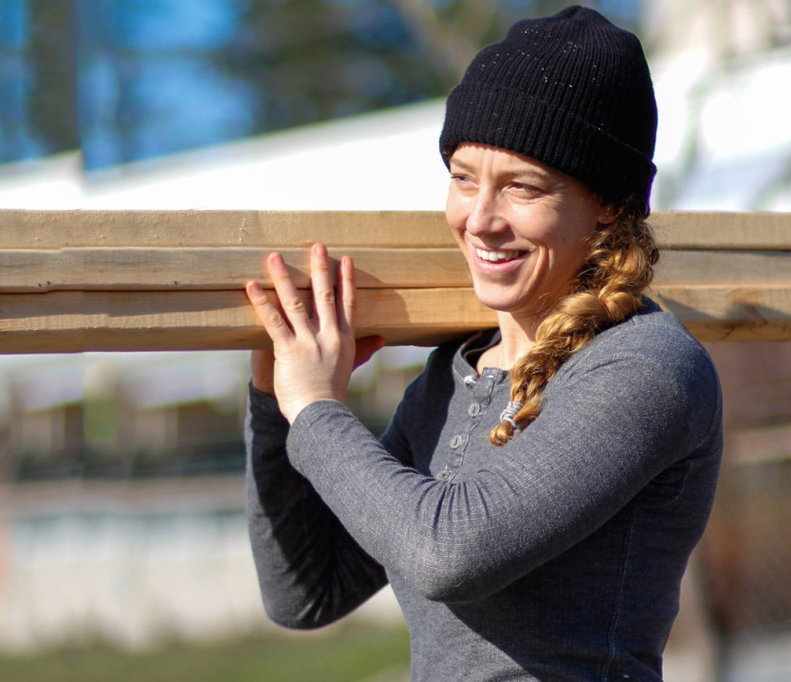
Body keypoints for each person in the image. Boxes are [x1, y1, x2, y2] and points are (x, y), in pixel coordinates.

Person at [242, 6, 723, 681]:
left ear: (608, 205)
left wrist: (316, 410)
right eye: (464, 177)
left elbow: (451, 554)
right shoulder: (455, 378)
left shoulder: (647, 368)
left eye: (522, 187)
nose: (480, 220)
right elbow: (307, 591)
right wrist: (275, 399)